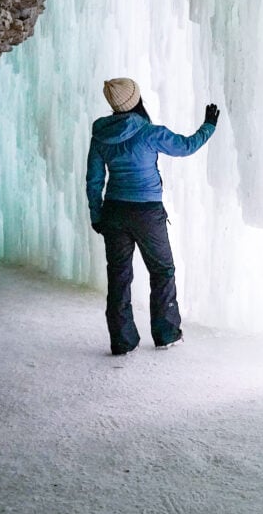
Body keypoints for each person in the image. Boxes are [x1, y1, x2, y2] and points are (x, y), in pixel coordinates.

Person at [86, 77, 219, 356]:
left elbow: (94, 180)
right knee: (162, 270)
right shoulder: (148, 132)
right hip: (147, 212)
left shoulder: (101, 136)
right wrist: (208, 126)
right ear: (136, 99)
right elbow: (185, 146)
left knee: (119, 276)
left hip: (114, 211)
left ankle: (122, 341)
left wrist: (96, 214)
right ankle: (166, 332)